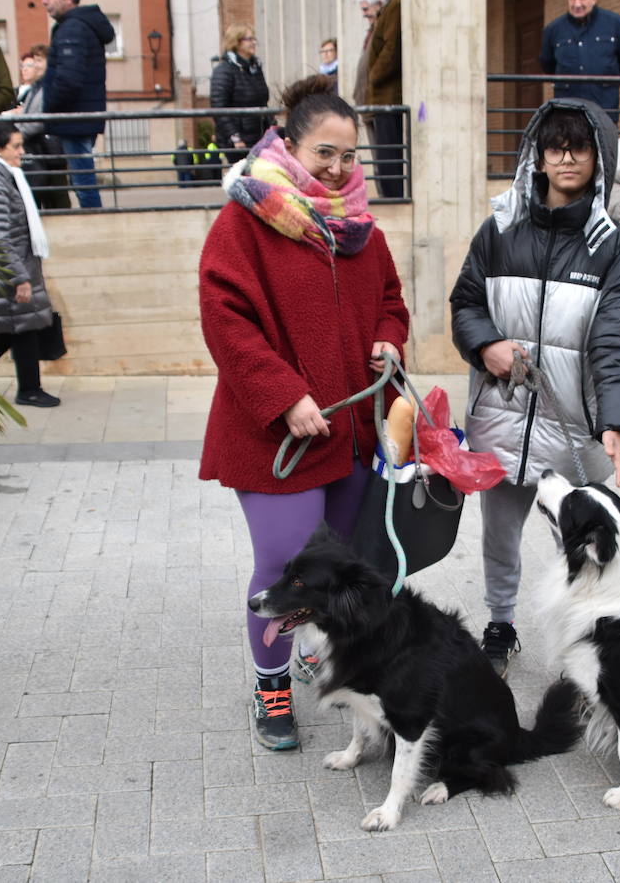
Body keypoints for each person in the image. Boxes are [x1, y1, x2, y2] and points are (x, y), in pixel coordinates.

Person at [198, 76, 410, 750]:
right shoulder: (247, 220)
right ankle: (271, 689)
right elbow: (225, 319)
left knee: (339, 564)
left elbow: (391, 301)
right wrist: (283, 395)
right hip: (272, 434)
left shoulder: (361, 229)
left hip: (346, 431)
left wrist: (389, 336)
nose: (340, 169)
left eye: (350, 157)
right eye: (325, 153)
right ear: (288, 144)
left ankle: (324, 651)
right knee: (286, 565)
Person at [449, 98, 620, 678]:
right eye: (554, 145)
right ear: (536, 153)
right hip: (504, 416)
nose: (565, 157)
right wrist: (486, 345)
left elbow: (618, 338)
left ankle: (590, 631)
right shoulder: (499, 230)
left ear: (597, 158)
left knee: (583, 542)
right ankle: (501, 624)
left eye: (578, 146)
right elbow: (465, 302)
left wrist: (615, 419)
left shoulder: (614, 248)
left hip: (572, 426)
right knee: (499, 536)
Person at [0, 123, 61, 408]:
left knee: (17, 328)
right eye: (16, 146)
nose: (22, 151)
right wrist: (19, 278)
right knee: (19, 328)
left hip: (14, 265)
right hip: (8, 270)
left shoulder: (1, 176)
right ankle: (28, 389)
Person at [41, 0, 115, 209]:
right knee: (81, 178)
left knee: (83, 181)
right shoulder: (78, 26)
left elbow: (68, 80)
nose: (44, 1)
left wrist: (48, 107)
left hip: (73, 117)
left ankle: (97, 224)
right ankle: (96, 221)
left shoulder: (72, 29)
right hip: (79, 115)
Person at [539, 0, 620, 123]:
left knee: (602, 144)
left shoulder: (615, 23)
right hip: (567, 106)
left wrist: (609, 78)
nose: (577, 4)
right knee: (567, 144)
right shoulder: (553, 29)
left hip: (604, 104)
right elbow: (546, 63)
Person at [13, 44, 72, 211]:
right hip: (42, 150)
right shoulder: (37, 87)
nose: (35, 64)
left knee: (57, 197)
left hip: (51, 150)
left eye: (39, 60)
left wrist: (18, 134)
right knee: (44, 194)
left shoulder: (50, 87)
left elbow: (41, 119)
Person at [210, 25, 274, 164]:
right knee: (244, 177)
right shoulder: (224, 70)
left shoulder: (255, 68)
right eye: (248, 39)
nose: (253, 42)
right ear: (236, 42)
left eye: (254, 38)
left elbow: (263, 101)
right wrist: (235, 137)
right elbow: (219, 108)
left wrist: (271, 126)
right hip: (239, 140)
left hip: (259, 135)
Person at [366, 0, 404, 198]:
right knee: (384, 158)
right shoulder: (392, 5)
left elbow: (392, 50)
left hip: (388, 97)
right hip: (382, 97)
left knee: (389, 158)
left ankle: (394, 197)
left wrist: (373, 77)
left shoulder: (397, 5)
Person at [352, 0, 387, 122]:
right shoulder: (372, 30)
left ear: (378, 4)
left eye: (366, 8)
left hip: (377, 102)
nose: (364, 14)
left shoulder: (381, 28)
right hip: (367, 103)